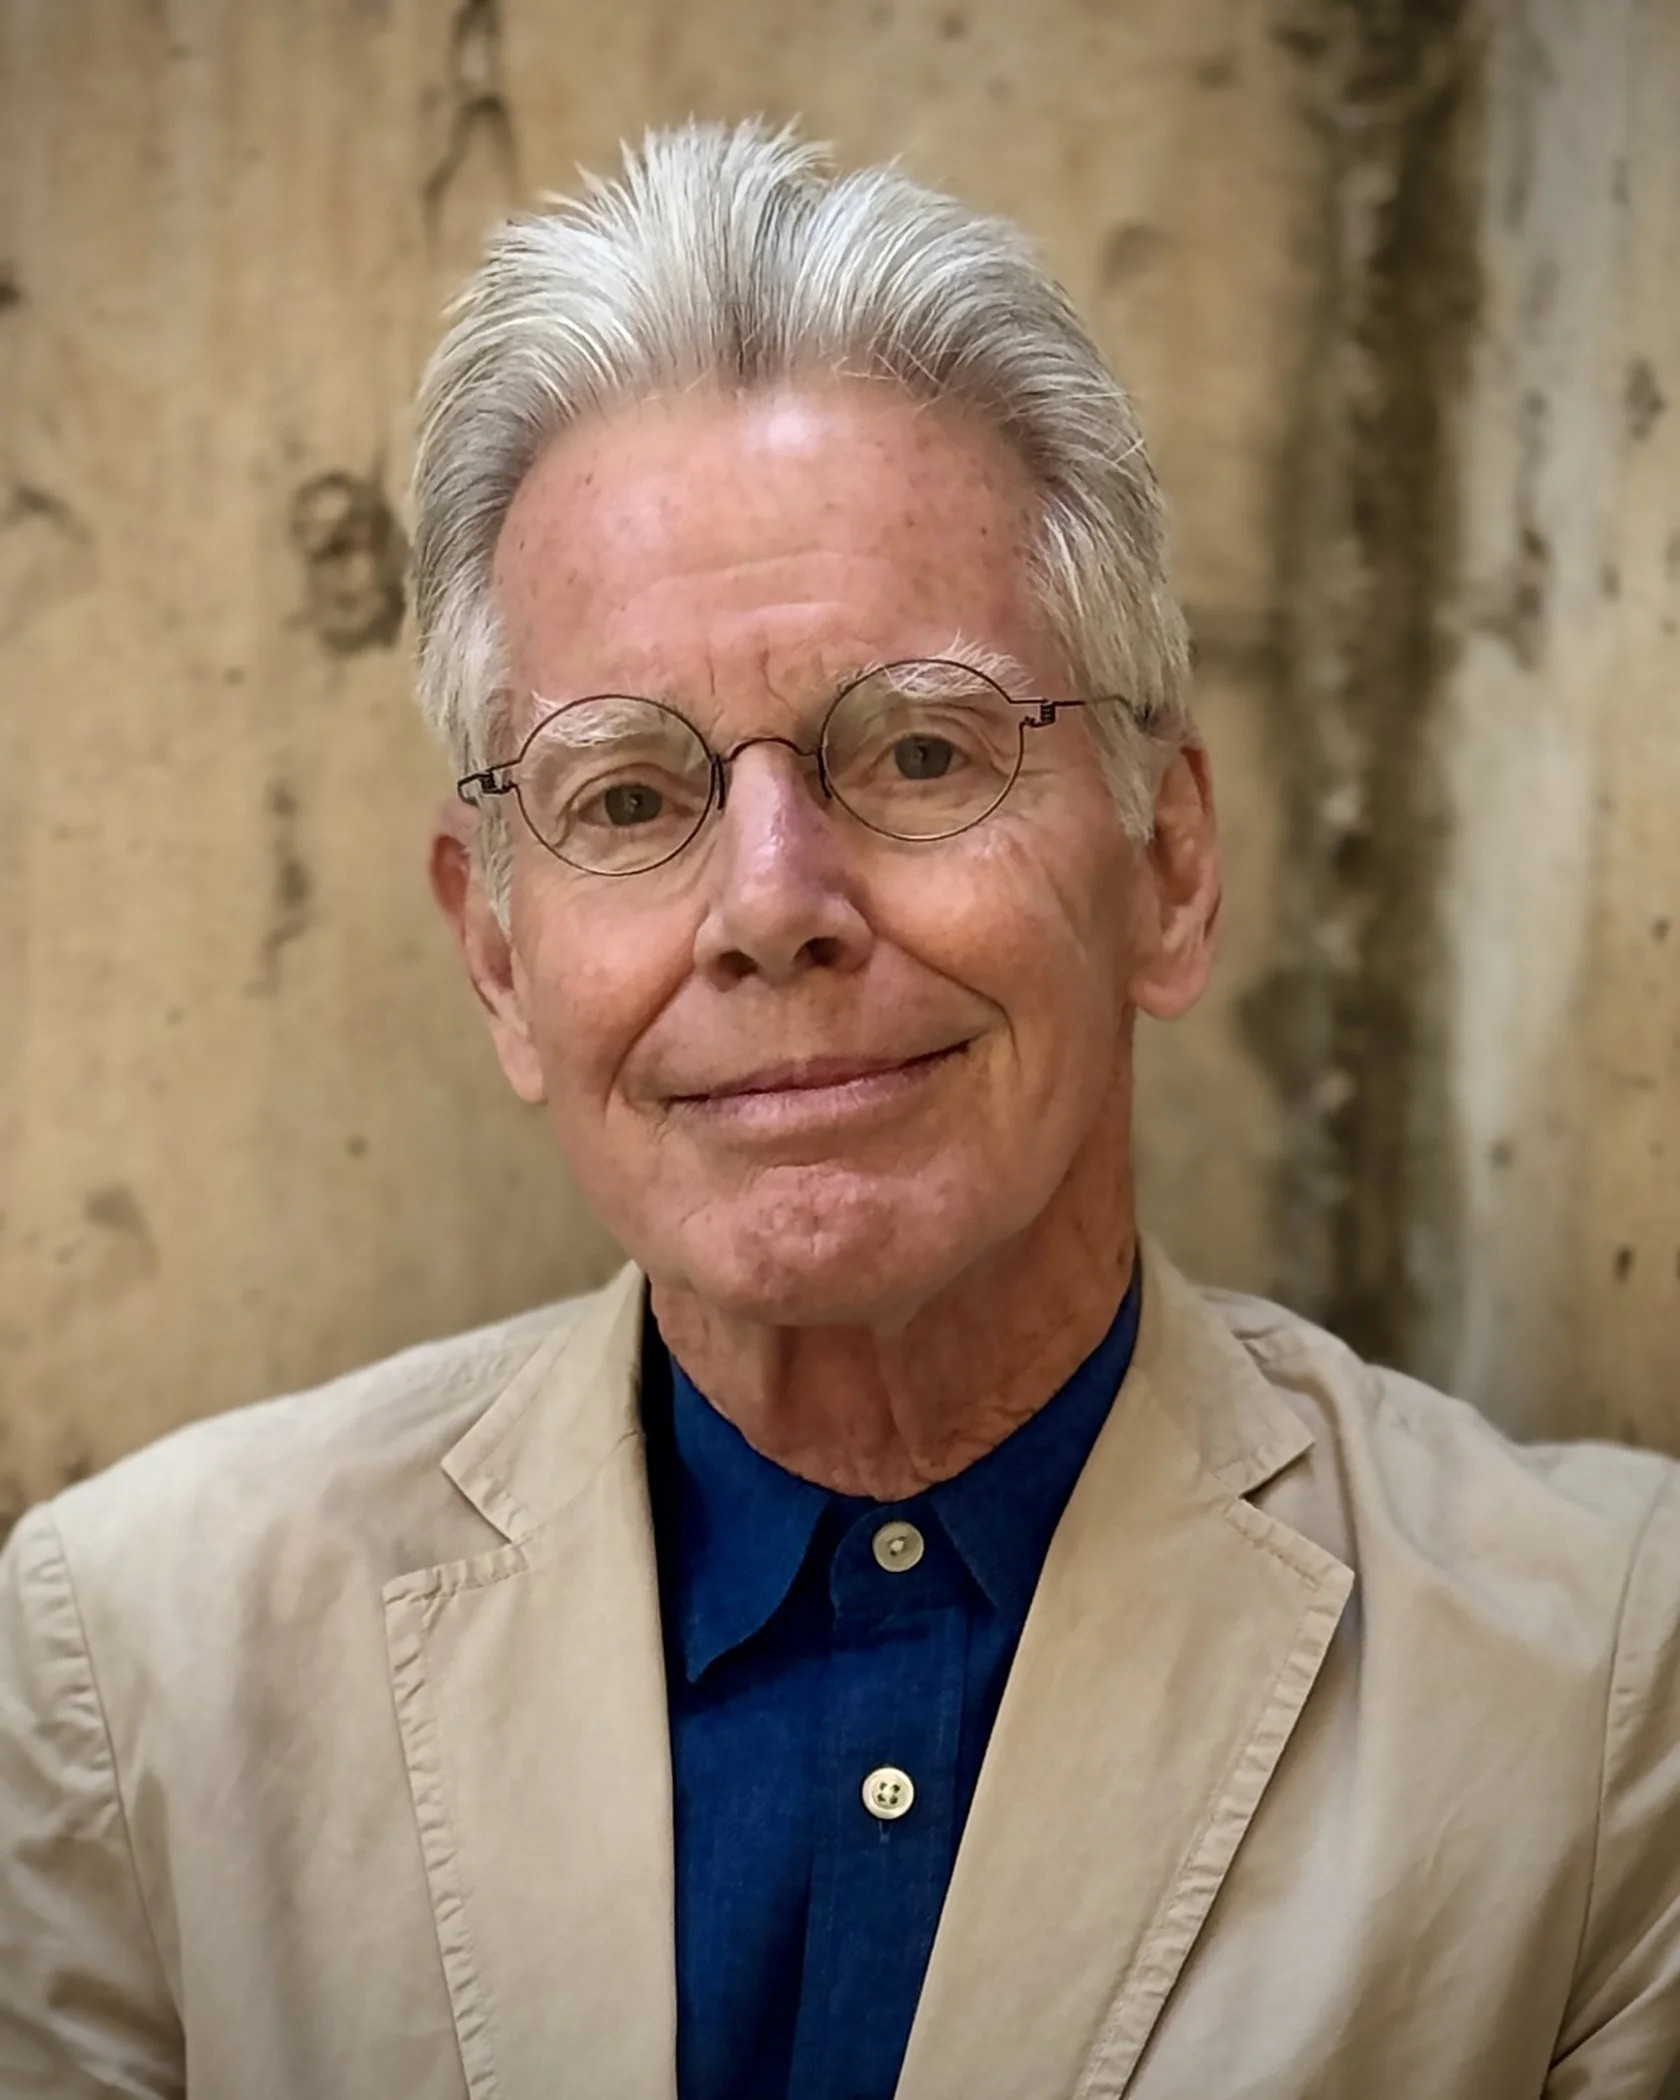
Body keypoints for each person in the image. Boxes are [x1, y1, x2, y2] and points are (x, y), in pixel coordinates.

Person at [3, 119, 1679, 2100]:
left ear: (1168, 864)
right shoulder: (141, 1670)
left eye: (920, 751)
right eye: (630, 794)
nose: (772, 903)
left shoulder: (1592, 1693)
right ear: (500, 961)